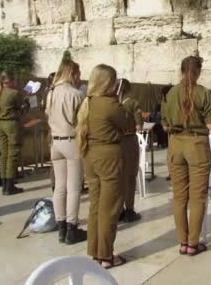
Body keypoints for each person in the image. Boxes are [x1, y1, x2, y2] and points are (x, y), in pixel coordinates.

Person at [76, 64, 134, 268]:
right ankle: (106, 255)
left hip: (90, 156)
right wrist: (119, 101)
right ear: (109, 83)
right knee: (109, 208)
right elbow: (129, 125)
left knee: (95, 206)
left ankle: (95, 251)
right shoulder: (110, 104)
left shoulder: (87, 102)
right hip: (109, 156)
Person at [162, 56, 211, 256]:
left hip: (175, 145)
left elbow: (165, 125)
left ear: (181, 70)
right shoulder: (203, 93)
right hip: (196, 145)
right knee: (197, 197)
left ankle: (183, 241)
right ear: (199, 71)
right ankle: (193, 242)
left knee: (179, 197)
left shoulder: (170, 93)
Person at [45, 54, 86, 245]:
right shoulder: (76, 94)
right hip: (71, 141)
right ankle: (72, 228)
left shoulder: (51, 93)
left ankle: (60, 227)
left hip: (55, 142)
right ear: (73, 73)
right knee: (74, 187)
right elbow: (82, 121)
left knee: (59, 186)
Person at [0, 70, 25, 195]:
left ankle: (4, 184)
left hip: (0, 124)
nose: (16, 82)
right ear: (8, 81)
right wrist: (26, 105)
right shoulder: (13, 93)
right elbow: (21, 110)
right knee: (12, 154)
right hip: (11, 124)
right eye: (14, 80)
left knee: (3, 154)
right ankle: (10, 185)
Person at [116, 78, 143, 223]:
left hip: (115, 142)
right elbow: (139, 126)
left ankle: (118, 209)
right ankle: (129, 209)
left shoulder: (113, 104)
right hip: (129, 140)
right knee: (130, 177)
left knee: (119, 178)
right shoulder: (133, 103)